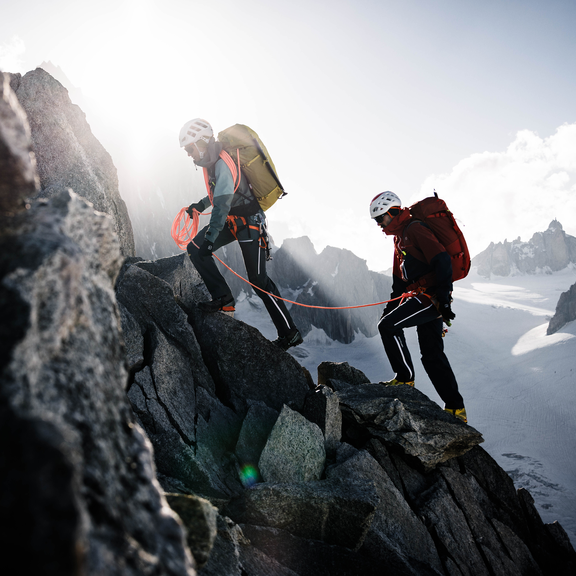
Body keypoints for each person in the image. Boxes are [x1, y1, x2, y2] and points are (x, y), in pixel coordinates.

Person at [179, 118, 303, 351]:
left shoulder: (223, 162)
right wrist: (201, 204)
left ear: (202, 141)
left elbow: (224, 201)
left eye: (189, 148)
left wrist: (211, 237)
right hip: (234, 220)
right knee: (195, 250)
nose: (188, 153)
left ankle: (290, 333)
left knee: (259, 281)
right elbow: (221, 193)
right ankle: (224, 300)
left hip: (249, 222)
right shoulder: (213, 161)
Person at [370, 191, 467, 423]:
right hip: (426, 296)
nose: (379, 224)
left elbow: (442, 260)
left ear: (392, 213)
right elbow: (399, 281)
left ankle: (404, 378)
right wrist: (390, 308)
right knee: (432, 354)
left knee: (388, 327)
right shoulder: (400, 237)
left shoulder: (413, 229)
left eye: (380, 218)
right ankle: (456, 409)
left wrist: (443, 299)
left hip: (431, 297)